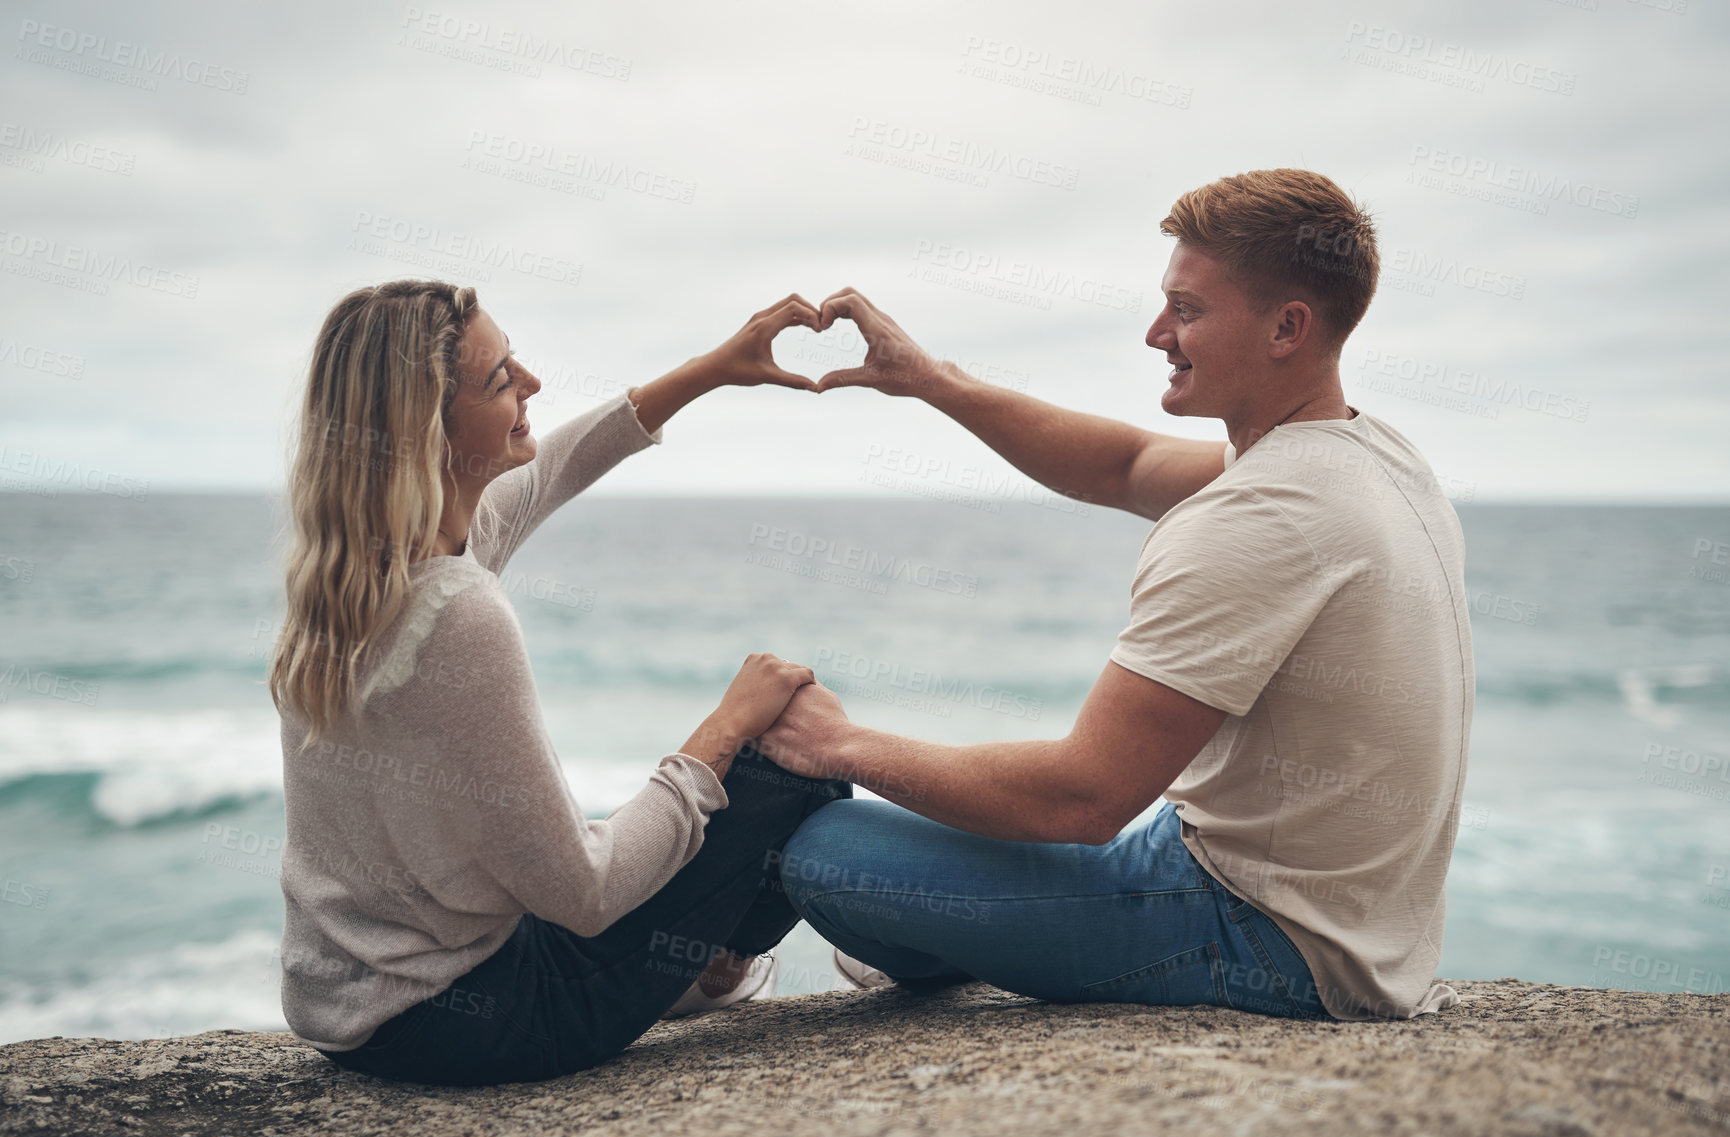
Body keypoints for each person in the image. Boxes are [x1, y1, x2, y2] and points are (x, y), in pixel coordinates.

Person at [761, 169, 1474, 1023]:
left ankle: (889, 938)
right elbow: (1123, 465)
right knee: (928, 839)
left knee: (828, 852)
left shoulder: (1260, 518)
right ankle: (950, 930)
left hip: (1268, 937)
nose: (1155, 333)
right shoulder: (1368, 456)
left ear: (1288, 327)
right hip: (1346, 915)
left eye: (1188, 311)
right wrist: (933, 380)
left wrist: (839, 744)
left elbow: (1083, 797)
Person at [268, 281, 848, 1086]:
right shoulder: (462, 614)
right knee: (799, 757)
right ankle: (715, 969)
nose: (531, 383)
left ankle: (690, 968)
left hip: (349, 1014)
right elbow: (583, 890)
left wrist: (714, 367)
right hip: (483, 1016)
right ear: (427, 432)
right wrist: (723, 726)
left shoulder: (346, 570)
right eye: (500, 378)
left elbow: (559, 466)